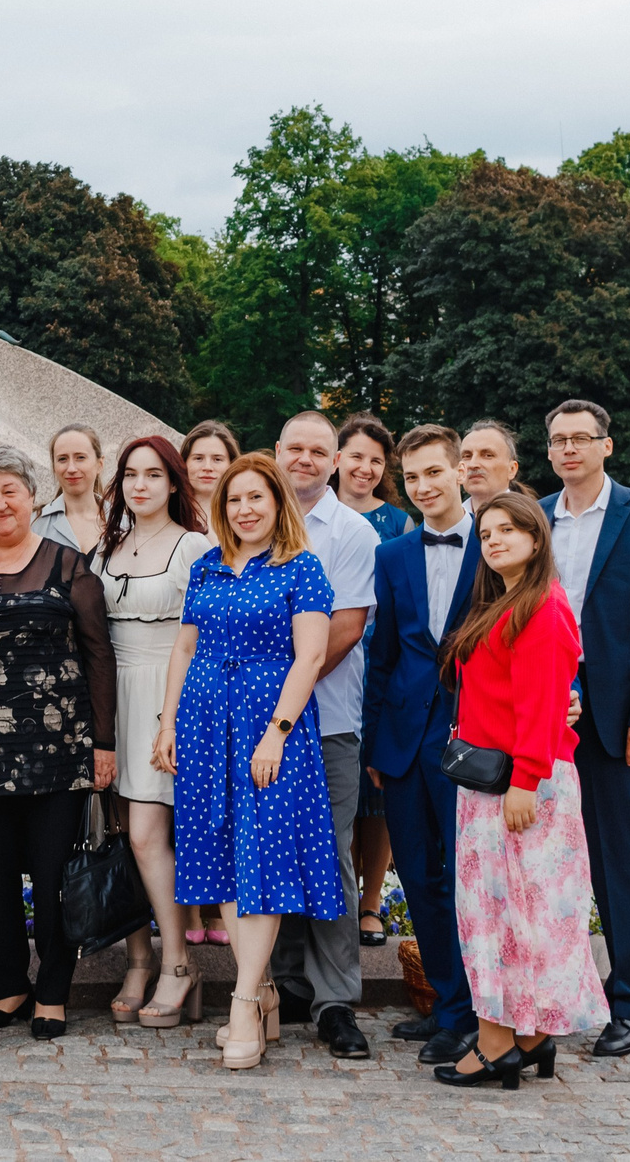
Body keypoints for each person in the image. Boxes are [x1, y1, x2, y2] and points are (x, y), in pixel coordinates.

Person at [155, 452, 344, 1071]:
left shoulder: (301, 566)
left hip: (268, 724)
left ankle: (242, 1005)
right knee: (221, 857)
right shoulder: (206, 565)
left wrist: (276, 734)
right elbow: (185, 647)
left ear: (277, 502)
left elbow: (310, 657)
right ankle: (261, 991)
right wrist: (168, 723)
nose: (244, 509)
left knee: (260, 857)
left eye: (256, 497)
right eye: (234, 500)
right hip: (206, 725)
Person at [436, 490, 610, 1089]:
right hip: (492, 782)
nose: (494, 541)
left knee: (507, 916)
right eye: (486, 534)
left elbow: (541, 706)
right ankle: (526, 1037)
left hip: (520, 784)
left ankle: (498, 1043)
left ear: (537, 538)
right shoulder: (503, 602)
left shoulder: (543, 606)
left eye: (508, 530)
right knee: (501, 914)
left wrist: (525, 780)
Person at [0, 445, 115, 1043]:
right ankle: (8, 984)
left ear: (32, 498)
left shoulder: (69, 567)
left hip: (59, 749)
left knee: (51, 877)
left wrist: (103, 744)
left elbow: (99, 656)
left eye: (10, 492)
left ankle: (52, 990)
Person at [542, 400, 630, 1060]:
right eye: (558, 440)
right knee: (542, 858)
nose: (569, 448)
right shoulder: (535, 516)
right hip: (540, 706)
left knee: (617, 859)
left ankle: (628, 1000)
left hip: (611, 714)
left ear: (606, 445)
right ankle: (547, 996)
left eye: (581, 438)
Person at [361, 425, 482, 1065]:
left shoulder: (495, 544)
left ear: (460, 471)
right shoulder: (393, 555)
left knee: (469, 878)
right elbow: (381, 658)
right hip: (405, 743)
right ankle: (445, 1002)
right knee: (418, 876)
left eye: (434, 472)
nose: (424, 486)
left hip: (475, 738)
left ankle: (474, 1014)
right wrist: (377, 748)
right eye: (412, 477)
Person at [267, 410, 380, 1059]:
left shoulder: (353, 532)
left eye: (318, 450)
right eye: (295, 448)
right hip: (254, 723)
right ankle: (286, 982)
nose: (305, 459)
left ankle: (336, 997)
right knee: (273, 848)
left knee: (330, 855)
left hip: (327, 720)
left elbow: (346, 627)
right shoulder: (252, 518)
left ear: (335, 461)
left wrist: (282, 695)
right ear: (277, 451)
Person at [94, 435, 210, 1028]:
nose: (140, 485)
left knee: (147, 836)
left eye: (153, 475)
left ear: (173, 483)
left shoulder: (196, 546)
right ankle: (137, 959)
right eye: (130, 475)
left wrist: (173, 718)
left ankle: (178, 963)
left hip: (169, 698)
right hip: (111, 697)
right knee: (120, 836)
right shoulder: (106, 546)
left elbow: (203, 638)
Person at [333, 414, 404, 965]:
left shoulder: (397, 522)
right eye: (357, 456)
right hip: (328, 670)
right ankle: (335, 897)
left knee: (375, 796)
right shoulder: (305, 514)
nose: (365, 468)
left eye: (376, 461)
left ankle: (371, 902)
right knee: (338, 795)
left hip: (378, 668)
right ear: (338, 458)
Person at [173, 420, 241, 948]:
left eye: (218, 458)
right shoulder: (171, 518)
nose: (207, 467)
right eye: (198, 457)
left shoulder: (241, 520)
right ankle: (190, 909)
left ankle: (222, 911)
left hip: (230, 677)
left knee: (226, 800)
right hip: (180, 662)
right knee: (187, 799)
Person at [35, 425, 108, 554]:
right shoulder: (34, 524)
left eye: (80, 457)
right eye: (62, 459)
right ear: (54, 466)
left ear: (99, 464)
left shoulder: (124, 524)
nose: (71, 469)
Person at [457, 421, 524, 508]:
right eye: (467, 456)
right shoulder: (449, 517)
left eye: (487, 455)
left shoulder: (531, 515)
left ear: (512, 469)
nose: (473, 464)